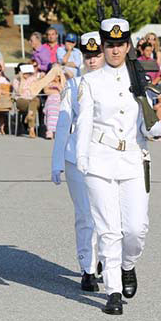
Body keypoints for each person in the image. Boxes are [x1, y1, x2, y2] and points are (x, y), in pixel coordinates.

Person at [74, 12, 161, 315]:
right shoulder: (90, 81)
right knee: (109, 230)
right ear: (102, 45)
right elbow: (84, 122)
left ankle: (128, 265)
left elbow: (145, 119)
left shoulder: (138, 78)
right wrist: (82, 160)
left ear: (128, 46)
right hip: (100, 160)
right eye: (109, 44)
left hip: (133, 159)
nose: (114, 50)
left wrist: (154, 127)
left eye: (120, 44)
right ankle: (113, 290)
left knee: (136, 229)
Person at [51, 30, 104, 291]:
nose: (92, 60)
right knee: (86, 216)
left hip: (108, 159)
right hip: (77, 161)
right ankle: (88, 267)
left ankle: (108, 258)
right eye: (88, 55)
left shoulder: (119, 84)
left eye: (97, 55)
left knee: (110, 217)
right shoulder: (74, 85)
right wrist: (56, 161)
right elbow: (63, 125)